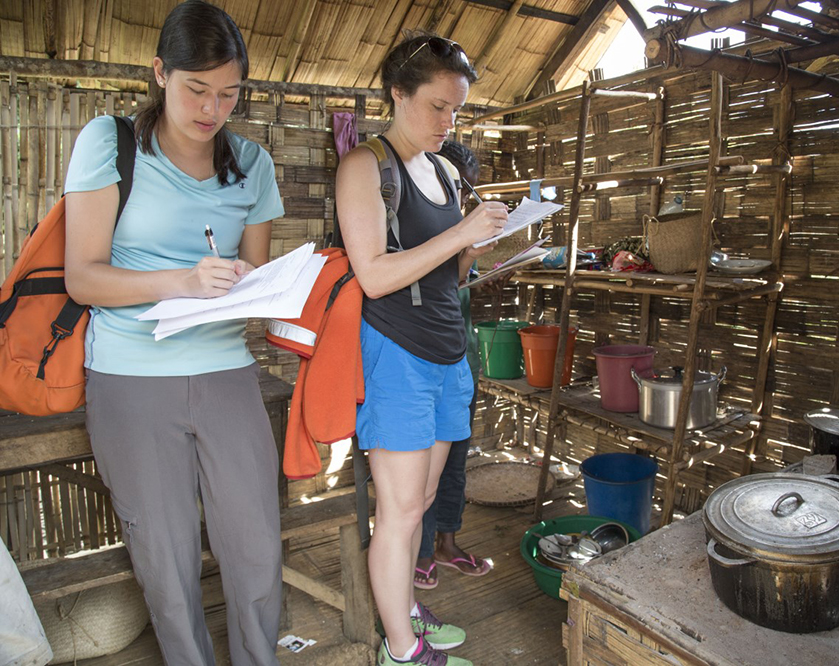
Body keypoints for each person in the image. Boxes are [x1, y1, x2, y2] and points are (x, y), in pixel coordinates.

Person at [63, 1, 285, 663]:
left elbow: (258, 275)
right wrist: (182, 281)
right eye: (196, 88)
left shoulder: (253, 162)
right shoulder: (110, 144)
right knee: (165, 557)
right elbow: (83, 277)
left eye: (228, 94)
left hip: (224, 370)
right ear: (161, 73)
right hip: (131, 376)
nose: (212, 108)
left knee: (255, 545)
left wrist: (253, 282)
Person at [336, 33, 507, 666]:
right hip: (396, 356)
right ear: (397, 94)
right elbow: (375, 275)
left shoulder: (443, 170)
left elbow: (448, 278)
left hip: (447, 355)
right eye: (436, 105)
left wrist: (472, 250)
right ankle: (403, 653)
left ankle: (405, 611)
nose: (448, 121)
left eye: (457, 109)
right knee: (401, 510)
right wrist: (462, 229)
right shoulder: (364, 167)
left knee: (424, 502)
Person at [413, 141, 492, 591]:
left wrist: (472, 254)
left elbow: (456, 284)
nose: (460, 199)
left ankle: (447, 542)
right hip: (419, 359)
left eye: (465, 191)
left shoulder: (462, 223)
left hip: (460, 355)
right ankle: (420, 551)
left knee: (455, 459)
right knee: (421, 467)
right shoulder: (418, 221)